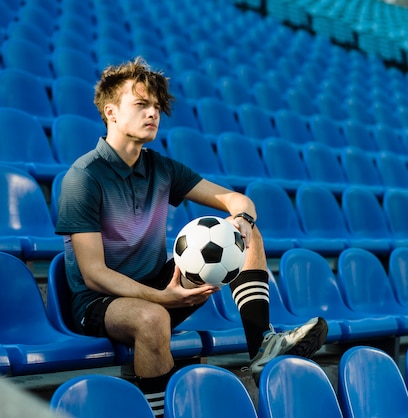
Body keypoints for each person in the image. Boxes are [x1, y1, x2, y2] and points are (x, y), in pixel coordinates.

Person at [54, 57, 327, 417]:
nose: (153, 113)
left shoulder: (161, 168)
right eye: (141, 104)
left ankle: (262, 344)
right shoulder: (84, 177)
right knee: (152, 319)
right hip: (98, 303)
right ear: (111, 112)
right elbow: (93, 274)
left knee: (245, 233)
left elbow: (236, 200)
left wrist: (242, 219)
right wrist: (161, 297)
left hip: (157, 286)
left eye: (156, 106)